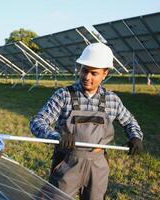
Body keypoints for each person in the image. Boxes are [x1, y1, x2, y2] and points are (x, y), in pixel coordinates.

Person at [30, 43, 143, 200]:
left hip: (98, 165)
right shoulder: (64, 95)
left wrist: (135, 137)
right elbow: (37, 122)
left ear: (105, 74)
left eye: (94, 73)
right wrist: (57, 137)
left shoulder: (112, 100)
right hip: (67, 162)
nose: (87, 77)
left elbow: (130, 122)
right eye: (84, 70)